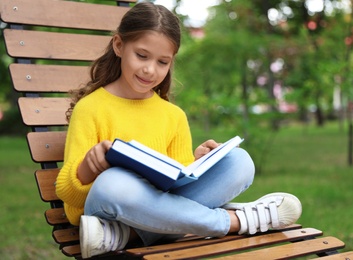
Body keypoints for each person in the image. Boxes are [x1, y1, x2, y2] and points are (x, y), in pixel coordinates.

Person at [55, 2, 302, 259]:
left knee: (239, 161)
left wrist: (198, 162)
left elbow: (177, 184)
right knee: (113, 183)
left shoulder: (173, 115)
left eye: (162, 62)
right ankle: (233, 222)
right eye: (141, 56)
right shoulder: (91, 108)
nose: (150, 69)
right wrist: (89, 167)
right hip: (108, 207)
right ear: (119, 45)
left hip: (143, 215)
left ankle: (131, 235)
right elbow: (66, 193)